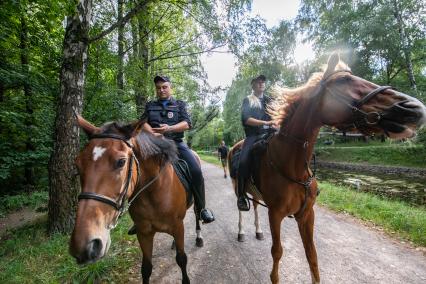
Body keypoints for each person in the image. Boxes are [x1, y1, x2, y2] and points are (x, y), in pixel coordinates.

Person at [129, 75, 214, 235]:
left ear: (170, 87)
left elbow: (187, 124)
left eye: (164, 87)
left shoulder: (179, 104)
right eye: (158, 88)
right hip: (153, 145)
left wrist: (169, 129)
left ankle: (202, 208)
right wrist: (153, 133)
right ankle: (138, 218)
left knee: (195, 170)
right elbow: (142, 122)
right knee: (135, 168)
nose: (161, 90)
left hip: (176, 144)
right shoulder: (150, 105)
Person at [237, 75, 274, 211]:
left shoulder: (270, 100)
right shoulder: (248, 100)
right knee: (242, 161)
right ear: (252, 85)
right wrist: (265, 123)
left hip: (270, 134)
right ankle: (241, 195)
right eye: (258, 82)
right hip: (253, 135)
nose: (261, 83)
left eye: (263, 82)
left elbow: (277, 115)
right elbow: (246, 119)